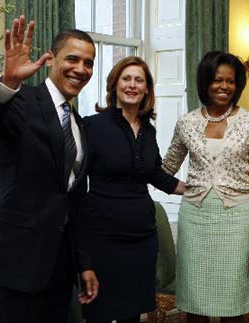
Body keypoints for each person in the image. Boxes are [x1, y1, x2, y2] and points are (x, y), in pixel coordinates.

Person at [0, 15, 99, 322]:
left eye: (88, 63)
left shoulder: (79, 125)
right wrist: (8, 82)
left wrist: (85, 263)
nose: (81, 69)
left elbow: (75, 201)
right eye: (73, 59)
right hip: (16, 261)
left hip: (59, 267)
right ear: (50, 59)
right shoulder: (20, 100)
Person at [162, 51, 249, 323]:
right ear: (205, 83)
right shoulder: (187, 122)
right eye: (217, 80)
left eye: (230, 81)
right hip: (196, 220)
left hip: (237, 221)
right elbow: (166, 168)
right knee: (195, 303)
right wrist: (185, 187)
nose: (224, 87)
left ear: (237, 85)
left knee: (234, 302)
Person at [78, 56, 185, 323]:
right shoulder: (92, 126)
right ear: (114, 85)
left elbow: (155, 174)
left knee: (132, 314)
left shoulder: (148, 131)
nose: (132, 85)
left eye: (139, 80)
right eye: (126, 79)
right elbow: (75, 181)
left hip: (142, 237)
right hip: (103, 236)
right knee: (100, 312)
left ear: (147, 88)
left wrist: (193, 188)